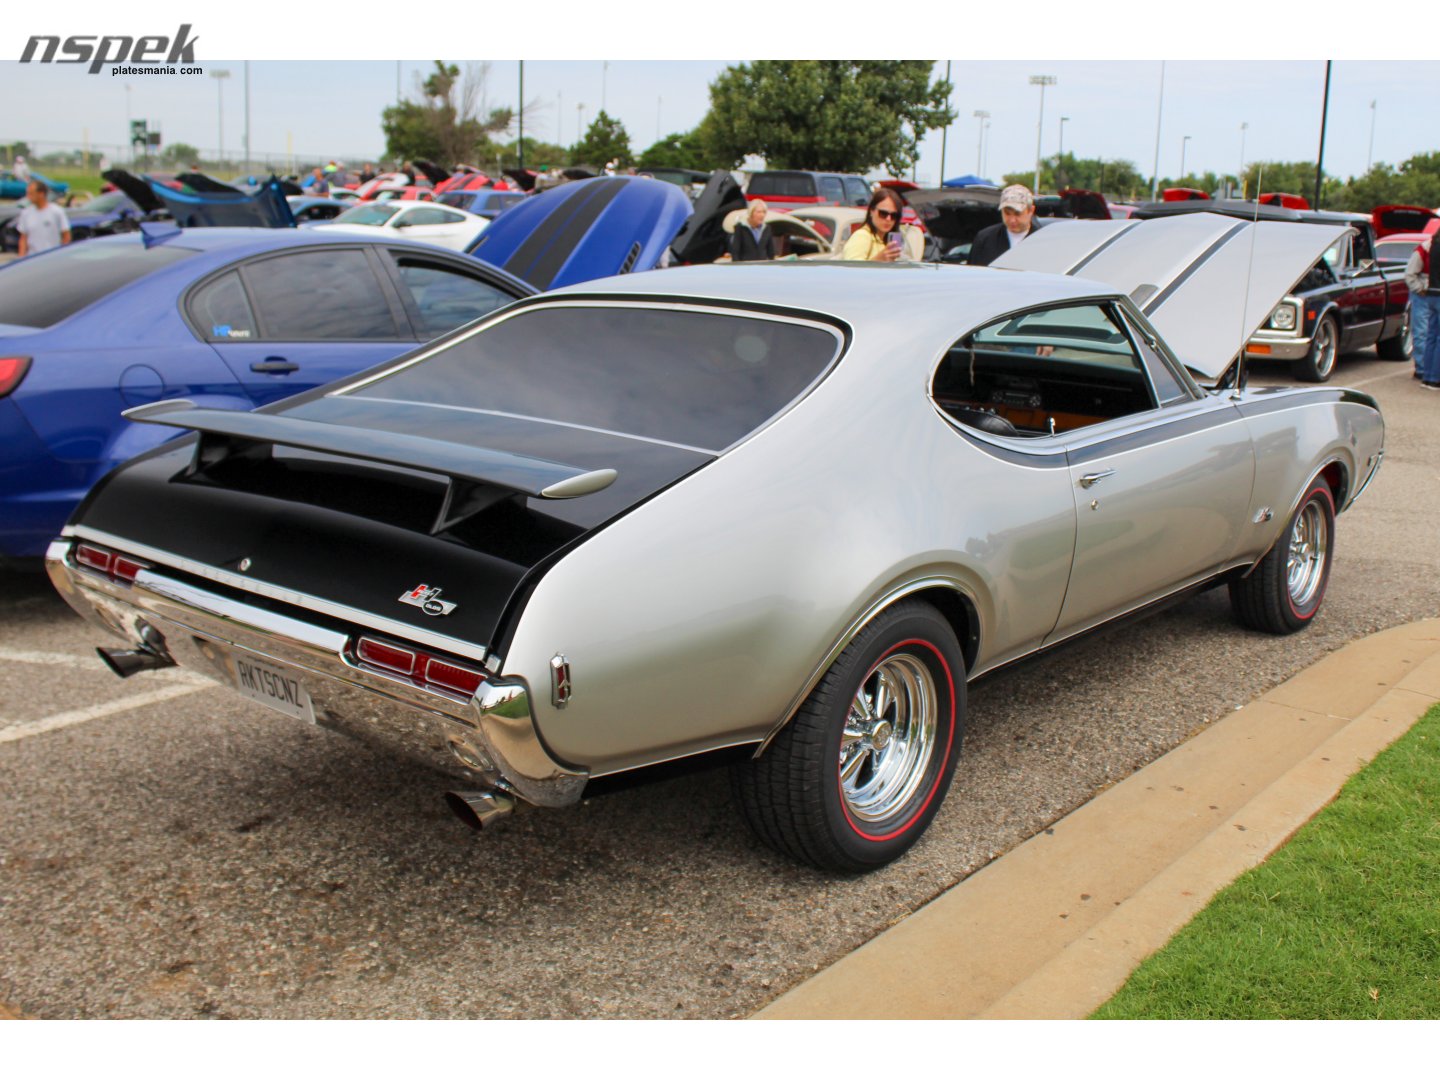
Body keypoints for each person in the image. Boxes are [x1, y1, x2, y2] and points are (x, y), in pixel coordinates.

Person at [968, 184, 1039, 266]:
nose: (1012, 220)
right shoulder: (984, 239)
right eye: (1007, 213)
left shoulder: (1043, 241)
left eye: (1017, 213)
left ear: (1031, 211)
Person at [1407, 236, 1440, 387]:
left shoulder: (1429, 247)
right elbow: (1410, 273)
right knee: (1423, 332)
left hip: (1430, 293)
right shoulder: (1424, 249)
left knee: (1429, 335)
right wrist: (1419, 288)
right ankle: (1427, 371)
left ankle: (1426, 372)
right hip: (1423, 294)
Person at [842, 189, 906, 262]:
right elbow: (852, 267)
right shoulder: (862, 236)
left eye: (894, 215)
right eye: (883, 213)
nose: (888, 219)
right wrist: (879, 259)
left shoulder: (887, 240)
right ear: (871, 211)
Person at [16, 180, 70, 257]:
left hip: (51, 258)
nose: (28, 197)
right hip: (32, 258)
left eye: (31, 194)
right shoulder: (26, 213)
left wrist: (60, 256)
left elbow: (66, 236)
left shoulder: (57, 212)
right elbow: (23, 238)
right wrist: (21, 257)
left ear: (41, 194)